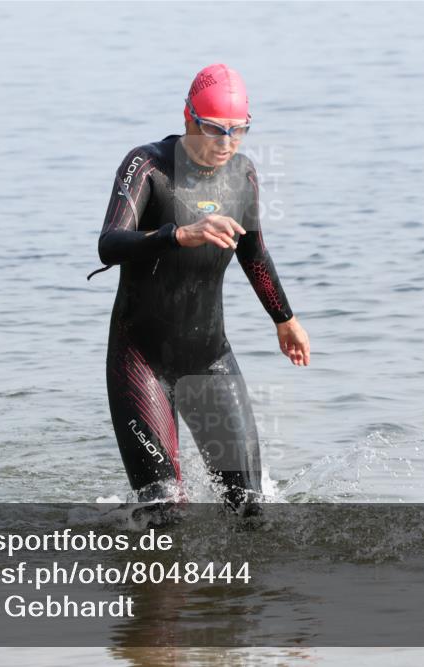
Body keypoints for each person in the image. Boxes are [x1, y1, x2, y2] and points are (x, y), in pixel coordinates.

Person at [92, 64, 310, 510]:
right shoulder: (147, 166)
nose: (226, 144)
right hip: (142, 363)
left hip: (209, 358)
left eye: (238, 131)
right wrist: (178, 234)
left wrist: (284, 319)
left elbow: (254, 253)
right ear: (189, 117)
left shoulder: (244, 175)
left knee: (250, 508)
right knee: (164, 510)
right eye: (214, 130)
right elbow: (109, 244)